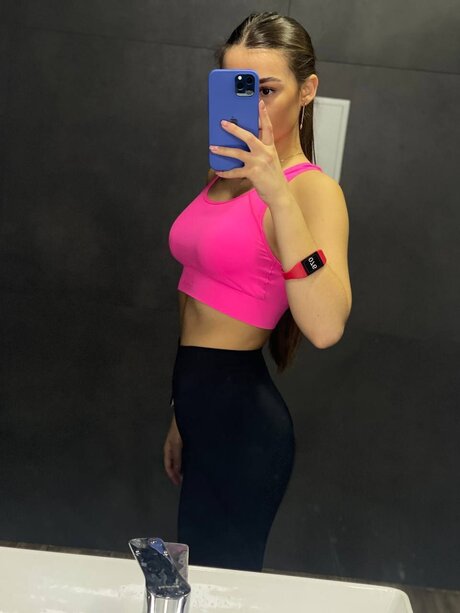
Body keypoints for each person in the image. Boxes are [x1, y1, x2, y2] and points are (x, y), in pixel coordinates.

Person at [163, 11, 352, 572]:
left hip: (243, 426)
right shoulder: (223, 176)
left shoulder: (312, 191)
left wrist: (279, 196)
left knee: (225, 588)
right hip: (200, 408)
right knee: (197, 577)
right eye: (238, 88)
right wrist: (181, 414)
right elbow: (194, 294)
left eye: (267, 90)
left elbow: (325, 325)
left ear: (307, 90)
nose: (255, 108)